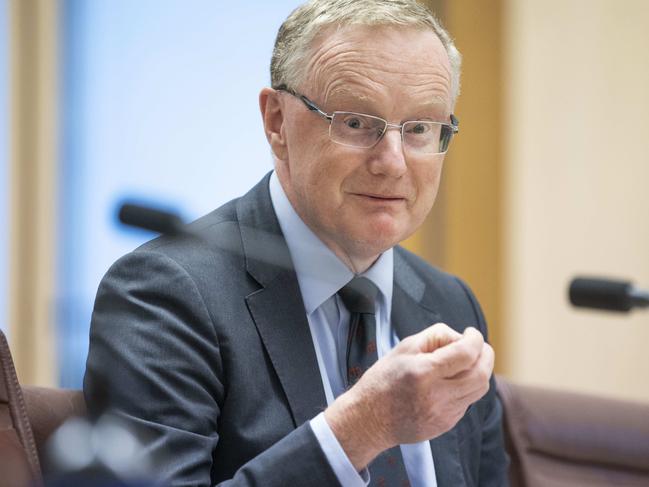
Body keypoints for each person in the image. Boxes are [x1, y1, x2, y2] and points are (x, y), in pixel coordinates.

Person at [84, 1, 509, 486]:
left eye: (419, 129)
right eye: (355, 122)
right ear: (276, 121)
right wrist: (362, 428)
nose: (392, 163)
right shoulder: (166, 295)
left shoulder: (451, 304)